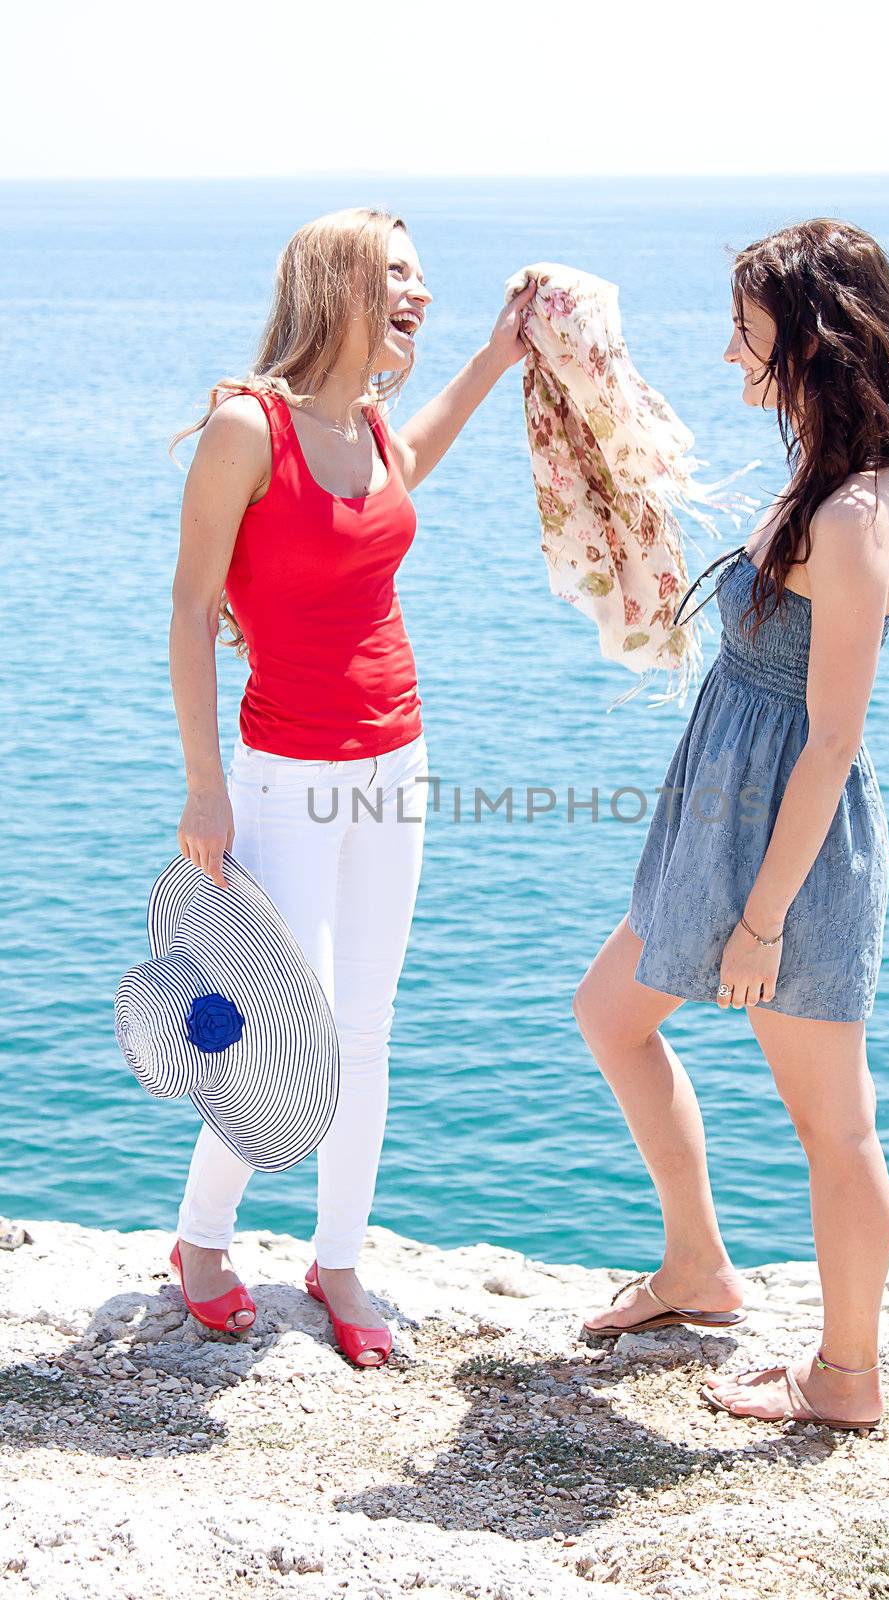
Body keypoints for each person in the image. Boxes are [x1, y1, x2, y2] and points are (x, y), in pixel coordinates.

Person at [576, 219, 889, 1430]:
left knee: (830, 1120)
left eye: (745, 326)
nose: (729, 348)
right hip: (722, 810)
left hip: (787, 842)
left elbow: (832, 737)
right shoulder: (822, 473)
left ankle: (845, 1376)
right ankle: (696, 1267)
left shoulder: (851, 512)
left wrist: (760, 921)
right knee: (609, 1013)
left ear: (810, 337)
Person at [166, 206, 535, 1364]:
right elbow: (188, 608)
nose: (416, 294)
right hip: (281, 771)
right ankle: (203, 1237)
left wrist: (491, 355)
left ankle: (337, 1261)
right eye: (397, 276)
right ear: (337, 284)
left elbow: (408, 460)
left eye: (423, 278)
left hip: (396, 759)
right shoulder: (245, 427)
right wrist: (204, 785)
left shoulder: (369, 425)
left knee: (365, 1028)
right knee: (292, 1022)